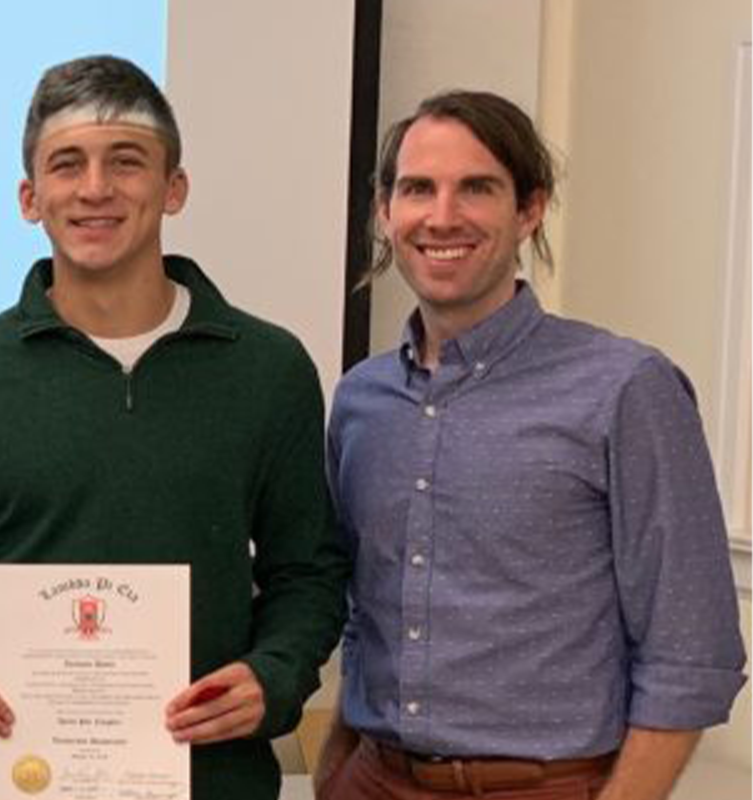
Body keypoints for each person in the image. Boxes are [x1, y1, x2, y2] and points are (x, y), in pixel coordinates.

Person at [0, 54, 348, 800]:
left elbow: (308, 574)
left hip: (209, 782)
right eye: (67, 165)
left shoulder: (270, 370)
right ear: (30, 197)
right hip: (2, 781)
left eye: (127, 162)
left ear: (173, 187)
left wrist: (273, 675)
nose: (95, 189)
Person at [315, 90, 747, 800]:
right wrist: (335, 778)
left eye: (476, 188)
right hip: (372, 780)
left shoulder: (626, 388)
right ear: (384, 212)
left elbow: (690, 651)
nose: (443, 216)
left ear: (530, 209)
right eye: (419, 188)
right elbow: (367, 621)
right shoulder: (362, 401)